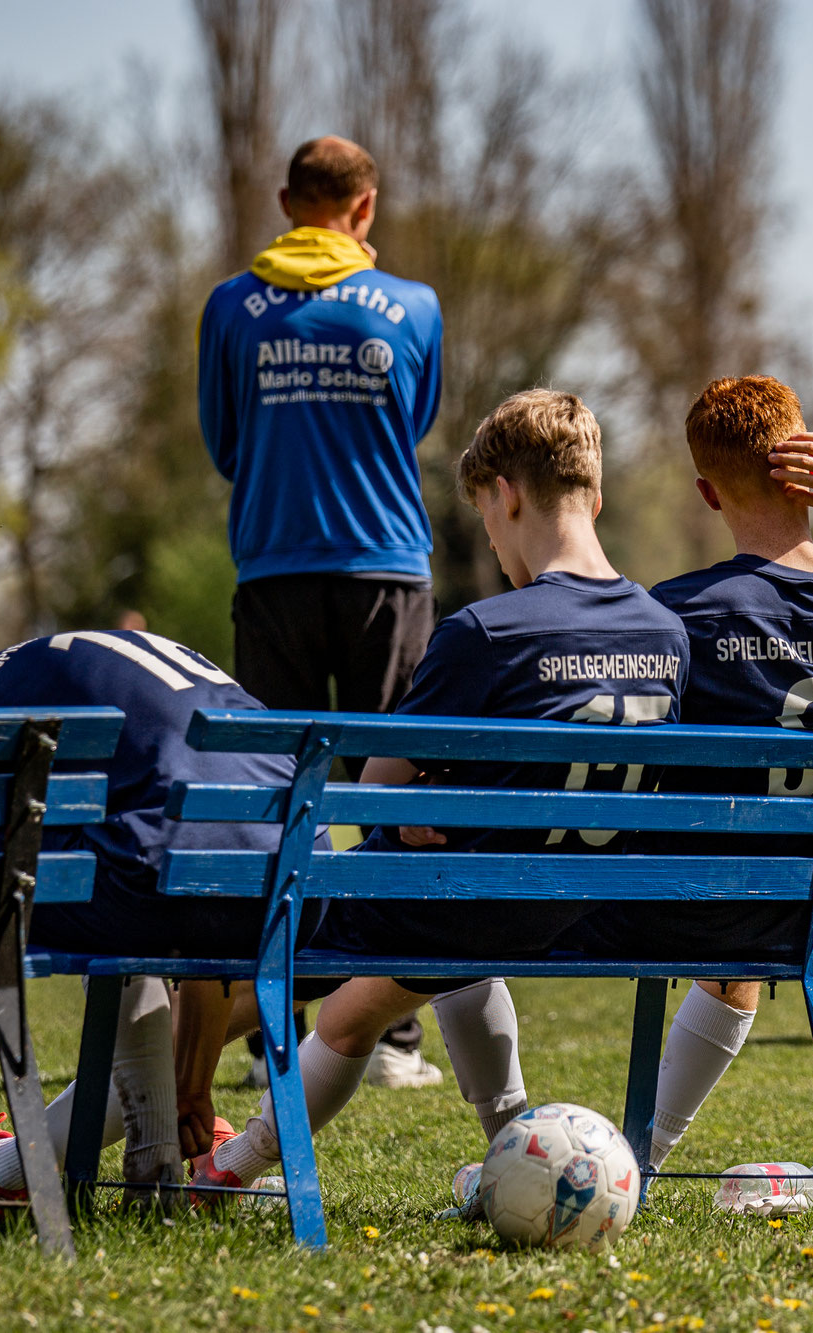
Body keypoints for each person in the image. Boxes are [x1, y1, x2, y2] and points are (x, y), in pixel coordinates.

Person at [182, 389, 690, 1196]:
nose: (491, 541)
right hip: (587, 903)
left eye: (487, 518)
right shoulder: (668, 632)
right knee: (395, 981)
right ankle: (511, 1145)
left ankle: (178, 1153)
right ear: (594, 495)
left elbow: (377, 784)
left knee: (304, 985)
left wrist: (433, 805)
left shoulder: (488, 630)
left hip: (468, 899)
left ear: (505, 494)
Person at [569, 374, 813, 1174]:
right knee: (737, 961)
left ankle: (599, 1160)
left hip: (674, 902)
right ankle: (636, 1159)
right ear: (811, 470)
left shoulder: (675, 612)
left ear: (708, 493)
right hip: (805, 908)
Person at [0, 634, 321, 1226]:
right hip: (296, 883)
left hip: (159, 874)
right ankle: (155, 1178)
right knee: (121, 862)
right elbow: (215, 887)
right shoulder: (71, 668)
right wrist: (192, 1085)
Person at [197, 135, 446, 1089]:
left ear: (285, 201)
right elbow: (411, 422)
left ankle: (274, 1038)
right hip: (386, 565)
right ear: (365, 209)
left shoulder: (231, 305)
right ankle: (389, 1037)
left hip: (272, 566)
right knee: (393, 787)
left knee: (276, 795)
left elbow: (226, 441)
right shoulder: (413, 306)